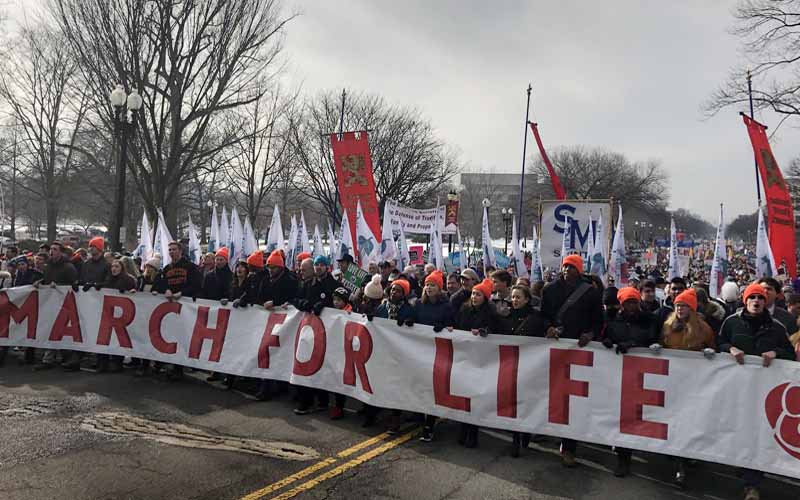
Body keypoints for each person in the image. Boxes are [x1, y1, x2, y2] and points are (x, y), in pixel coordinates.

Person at [717, 282, 796, 500]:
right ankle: (742, 466)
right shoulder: (731, 323)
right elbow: (718, 342)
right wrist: (729, 348)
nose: (757, 301)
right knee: (737, 429)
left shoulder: (777, 327)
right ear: (745, 300)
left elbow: (789, 354)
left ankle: (752, 483)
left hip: (764, 393)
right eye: (752, 297)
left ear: (766, 302)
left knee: (758, 433)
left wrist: (775, 353)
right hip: (736, 390)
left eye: (761, 298)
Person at [540, 254, 603, 467]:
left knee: (573, 400)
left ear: (579, 270)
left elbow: (598, 321)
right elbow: (543, 316)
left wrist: (590, 335)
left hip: (578, 350)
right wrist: (547, 327)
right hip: (554, 349)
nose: (567, 270)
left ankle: (569, 446)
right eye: (565, 266)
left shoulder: (591, 293)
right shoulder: (549, 289)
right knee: (549, 392)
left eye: (571, 267)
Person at [659, 287, 716, 488]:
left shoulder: (704, 329)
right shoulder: (667, 326)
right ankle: (677, 458)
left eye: (684, 305)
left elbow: (714, 348)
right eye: (677, 305)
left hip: (694, 383)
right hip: (672, 381)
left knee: (689, 421)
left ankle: (684, 460)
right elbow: (662, 344)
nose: (680, 308)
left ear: (692, 308)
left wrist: (711, 353)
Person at [601, 287, 660, 477]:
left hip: (641, 375)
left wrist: (634, 344)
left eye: (634, 302)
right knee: (620, 416)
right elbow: (602, 335)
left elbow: (653, 340)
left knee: (637, 416)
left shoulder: (649, 319)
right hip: (617, 375)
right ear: (621, 304)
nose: (632, 306)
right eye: (628, 303)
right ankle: (622, 458)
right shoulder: (610, 319)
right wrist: (607, 340)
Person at [503, 284, 547, 457]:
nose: (514, 300)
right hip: (512, 365)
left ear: (527, 299)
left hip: (531, 366)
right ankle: (515, 439)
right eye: (512, 297)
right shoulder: (506, 316)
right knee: (514, 402)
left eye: (518, 297)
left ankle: (526, 432)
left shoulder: (536, 318)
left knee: (527, 402)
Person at [453, 278, 497, 449]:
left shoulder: (491, 314)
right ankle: (463, 428)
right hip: (465, 357)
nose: (474, 297)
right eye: (473, 294)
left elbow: (496, 330)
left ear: (485, 297)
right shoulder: (464, 310)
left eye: (478, 294)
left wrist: (486, 332)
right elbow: (457, 326)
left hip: (480, 360)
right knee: (463, 395)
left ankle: (473, 432)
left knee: (475, 397)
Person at [413, 270, 455, 442]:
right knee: (419, 385)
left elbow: (452, 325)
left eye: (433, 285)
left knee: (431, 388)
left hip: (436, 353)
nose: (429, 288)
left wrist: (443, 327)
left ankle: (429, 424)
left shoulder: (446, 306)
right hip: (418, 351)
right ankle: (418, 417)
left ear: (439, 288)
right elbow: (412, 319)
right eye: (427, 284)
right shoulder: (418, 304)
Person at [152, 241, 202, 380]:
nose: (171, 252)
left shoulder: (191, 267)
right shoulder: (166, 269)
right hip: (169, 308)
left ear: (180, 251)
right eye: (169, 250)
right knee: (167, 335)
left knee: (181, 337)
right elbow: (159, 284)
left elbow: (197, 285)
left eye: (174, 249)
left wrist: (182, 293)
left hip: (184, 307)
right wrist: (166, 289)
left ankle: (178, 368)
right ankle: (163, 363)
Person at [34, 242, 79, 371]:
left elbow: (74, 285)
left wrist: (58, 285)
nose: (51, 251)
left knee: (63, 332)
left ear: (61, 252)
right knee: (51, 330)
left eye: (55, 249)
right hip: (51, 304)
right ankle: (48, 359)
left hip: (65, 305)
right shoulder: (48, 267)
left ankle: (66, 358)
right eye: (51, 249)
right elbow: (47, 279)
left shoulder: (68, 267)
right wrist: (41, 282)